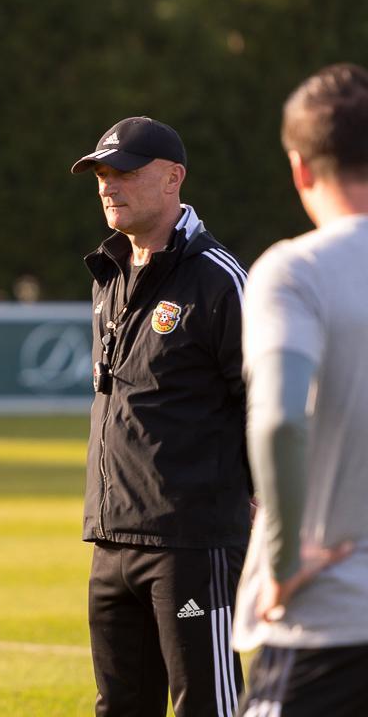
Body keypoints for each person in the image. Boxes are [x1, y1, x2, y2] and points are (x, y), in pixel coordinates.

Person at [71, 117, 252, 716]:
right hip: (112, 537)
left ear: (174, 178)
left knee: (209, 704)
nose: (108, 185)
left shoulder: (218, 278)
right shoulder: (108, 273)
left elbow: (264, 397)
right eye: (101, 174)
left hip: (192, 539)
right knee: (119, 707)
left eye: (124, 172)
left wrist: (262, 494)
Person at [233, 63, 368, 716]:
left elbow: (280, 420)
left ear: (300, 168)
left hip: (329, 620)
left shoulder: (295, 270)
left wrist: (285, 565)